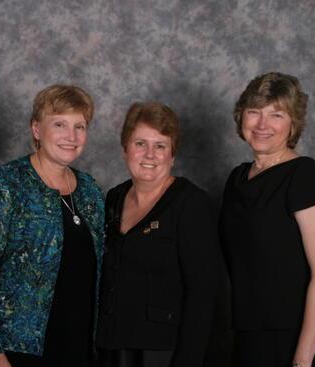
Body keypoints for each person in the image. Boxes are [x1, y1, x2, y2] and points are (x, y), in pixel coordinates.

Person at [0, 85, 104, 367]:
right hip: (17, 350)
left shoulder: (89, 190)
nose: (71, 137)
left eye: (79, 126)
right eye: (60, 124)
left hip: (78, 342)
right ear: (37, 129)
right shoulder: (7, 183)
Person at [219, 72, 315, 367]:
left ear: (293, 124)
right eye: (254, 112)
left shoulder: (304, 175)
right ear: (241, 118)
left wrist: (303, 359)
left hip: (297, 332)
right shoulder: (237, 179)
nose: (262, 125)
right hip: (247, 327)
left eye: (276, 114)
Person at [96, 102, 225, 367]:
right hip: (112, 347)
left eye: (160, 146)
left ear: (173, 155)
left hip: (164, 353)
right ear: (125, 150)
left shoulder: (191, 204)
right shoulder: (114, 198)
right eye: (140, 144)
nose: (150, 155)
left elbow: (203, 294)